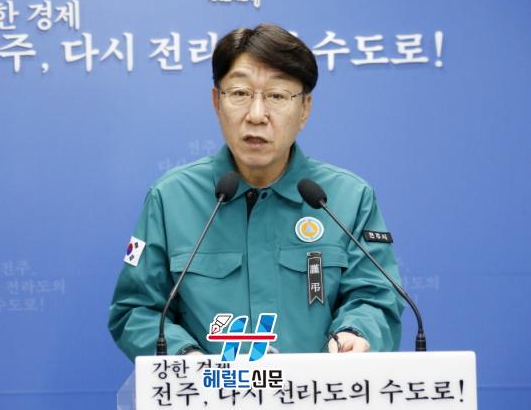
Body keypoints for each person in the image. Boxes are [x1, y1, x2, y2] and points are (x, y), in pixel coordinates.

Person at [108, 23, 404, 359]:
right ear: (217, 102)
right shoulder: (171, 198)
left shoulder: (347, 198)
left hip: (315, 389)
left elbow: (376, 298)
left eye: (277, 96)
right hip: (211, 389)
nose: (257, 115)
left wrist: (357, 332)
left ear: (305, 109)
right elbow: (135, 310)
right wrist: (186, 358)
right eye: (240, 93)